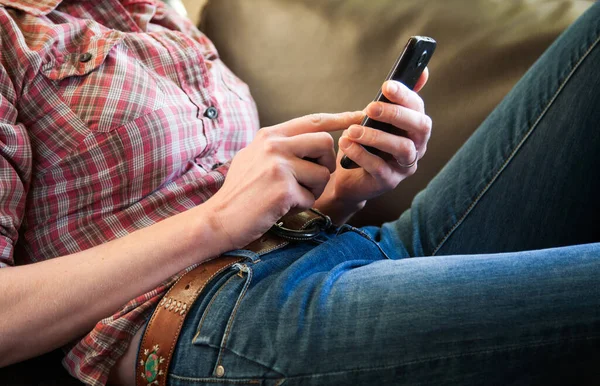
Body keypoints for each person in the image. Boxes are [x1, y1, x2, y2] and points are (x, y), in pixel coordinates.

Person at [0, 0, 598, 385]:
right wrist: (216, 221)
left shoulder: (156, 14)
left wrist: (342, 196)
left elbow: (255, 219)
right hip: (211, 320)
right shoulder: (11, 35)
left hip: (343, 250)